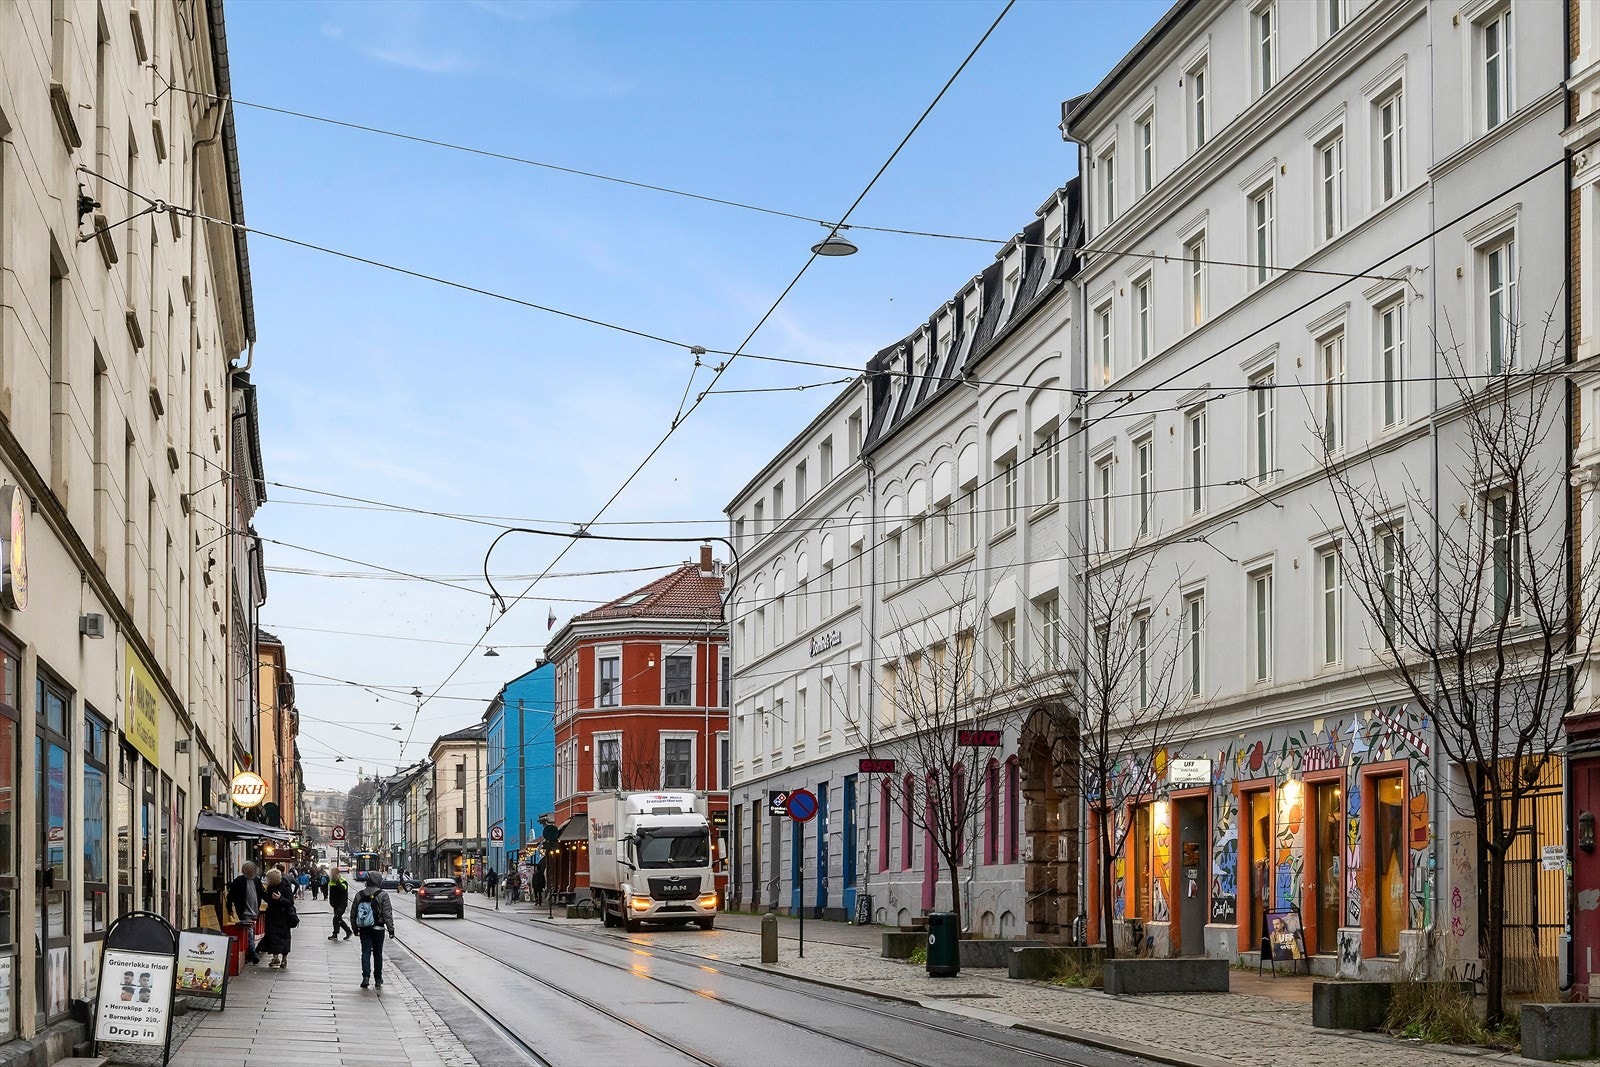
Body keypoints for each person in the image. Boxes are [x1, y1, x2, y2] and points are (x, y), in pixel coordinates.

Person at [352, 872, 396, 990]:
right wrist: (391, 929)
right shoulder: (383, 895)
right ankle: (378, 979)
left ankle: (365, 977)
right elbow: (387, 914)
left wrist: (355, 928)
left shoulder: (359, 895)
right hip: (378, 928)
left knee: (365, 952)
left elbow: (354, 913)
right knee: (378, 953)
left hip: (364, 928)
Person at [226, 862, 265, 965]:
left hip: (254, 911)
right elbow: (231, 896)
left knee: (249, 933)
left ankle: (249, 954)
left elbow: (262, 893)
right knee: (250, 933)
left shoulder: (257, 881)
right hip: (244, 912)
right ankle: (253, 954)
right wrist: (229, 908)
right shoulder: (239, 881)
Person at [260, 869, 297, 968]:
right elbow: (268, 899)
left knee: (284, 938)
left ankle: (284, 959)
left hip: (283, 916)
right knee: (272, 937)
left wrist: (280, 899)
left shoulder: (285, 887)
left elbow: (290, 903)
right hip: (272, 916)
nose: (267, 880)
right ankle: (275, 957)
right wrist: (262, 892)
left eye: (269, 878)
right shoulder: (271, 887)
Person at [328, 868, 353, 941]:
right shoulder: (331, 882)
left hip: (342, 903)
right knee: (338, 918)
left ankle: (335, 933)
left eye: (332, 874)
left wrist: (337, 881)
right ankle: (348, 931)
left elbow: (343, 889)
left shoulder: (343, 880)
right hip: (335, 903)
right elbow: (331, 893)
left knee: (336, 917)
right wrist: (331, 902)